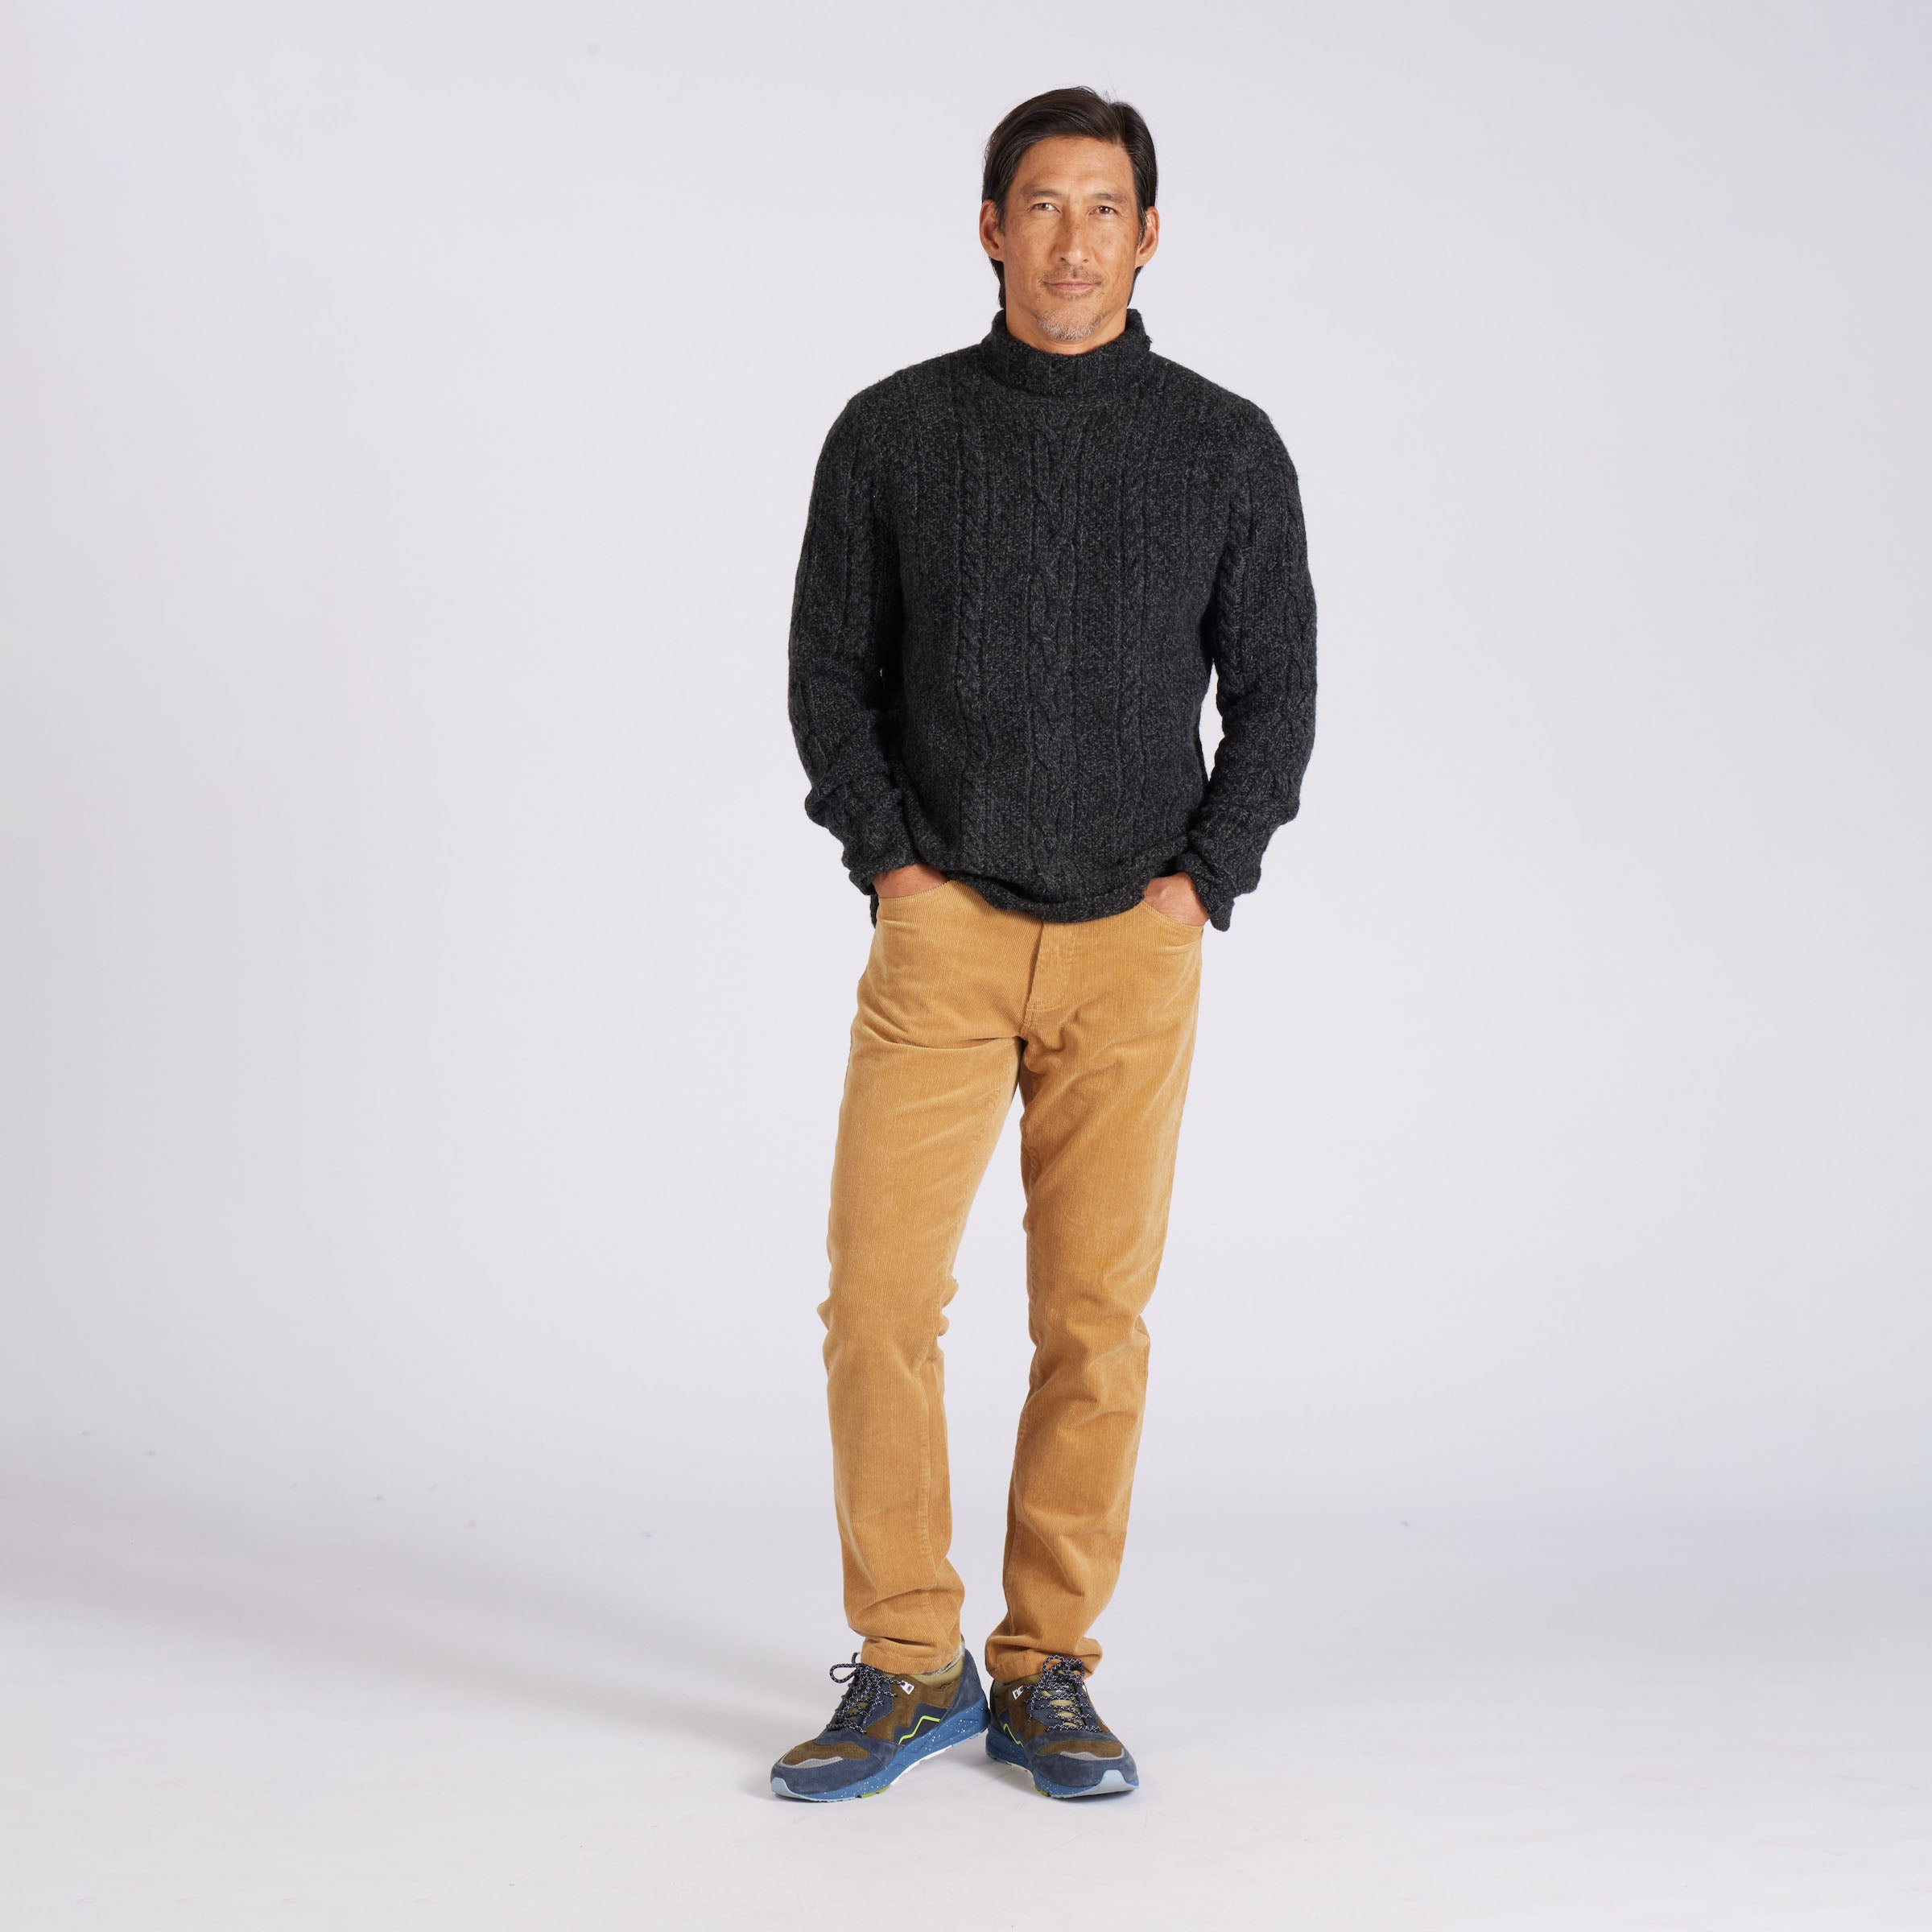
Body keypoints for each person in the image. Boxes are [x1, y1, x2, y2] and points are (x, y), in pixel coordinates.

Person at [771, 85, 1317, 1803]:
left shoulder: (1224, 446)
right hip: (942, 934)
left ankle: (1047, 1666)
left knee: (1093, 1321)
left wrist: (1200, 881)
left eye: (1103, 210)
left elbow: (1278, 694)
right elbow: (828, 675)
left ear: (1148, 237)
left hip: (1133, 943)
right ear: (990, 228)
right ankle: (907, 1658)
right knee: (878, 1303)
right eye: (1041, 206)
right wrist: (893, 866)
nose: (1071, 240)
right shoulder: (894, 434)